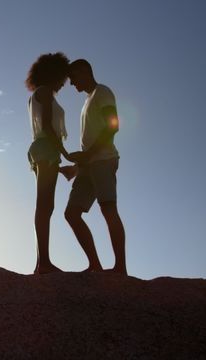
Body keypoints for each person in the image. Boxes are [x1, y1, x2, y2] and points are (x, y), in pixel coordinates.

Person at [60, 59, 127, 275]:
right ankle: (95, 266)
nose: (71, 84)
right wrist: (77, 167)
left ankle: (120, 268)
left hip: (104, 160)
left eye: (73, 78)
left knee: (108, 209)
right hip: (88, 166)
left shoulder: (102, 92)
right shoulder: (87, 101)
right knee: (71, 213)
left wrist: (87, 155)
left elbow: (112, 126)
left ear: (84, 72)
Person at [25, 52, 75, 274]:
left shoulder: (43, 93)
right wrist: (65, 152)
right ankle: (43, 263)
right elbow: (46, 125)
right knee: (44, 206)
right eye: (63, 77)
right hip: (46, 149)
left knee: (46, 206)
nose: (64, 83)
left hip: (47, 151)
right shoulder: (44, 92)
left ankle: (42, 262)